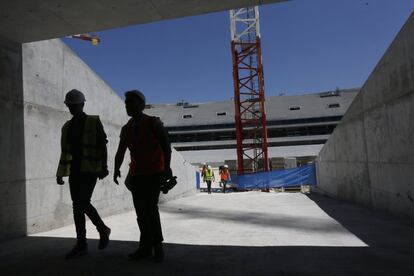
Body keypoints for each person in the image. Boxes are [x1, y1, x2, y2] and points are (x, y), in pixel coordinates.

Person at [114, 89, 172, 263]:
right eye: (126, 103)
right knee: (141, 212)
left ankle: (158, 246)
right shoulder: (126, 129)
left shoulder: (153, 123)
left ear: (141, 105)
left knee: (151, 210)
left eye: (131, 102)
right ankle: (145, 247)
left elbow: (166, 145)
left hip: (154, 173)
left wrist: (167, 168)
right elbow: (120, 151)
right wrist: (116, 168)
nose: (127, 106)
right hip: (137, 175)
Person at [56, 89, 111, 259]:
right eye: (70, 106)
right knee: (77, 206)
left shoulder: (93, 122)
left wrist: (104, 166)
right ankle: (82, 243)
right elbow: (65, 151)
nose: (72, 108)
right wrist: (60, 172)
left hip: (90, 170)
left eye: (75, 105)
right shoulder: (67, 126)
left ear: (82, 104)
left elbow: (103, 145)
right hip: (75, 170)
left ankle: (102, 229)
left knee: (82, 202)